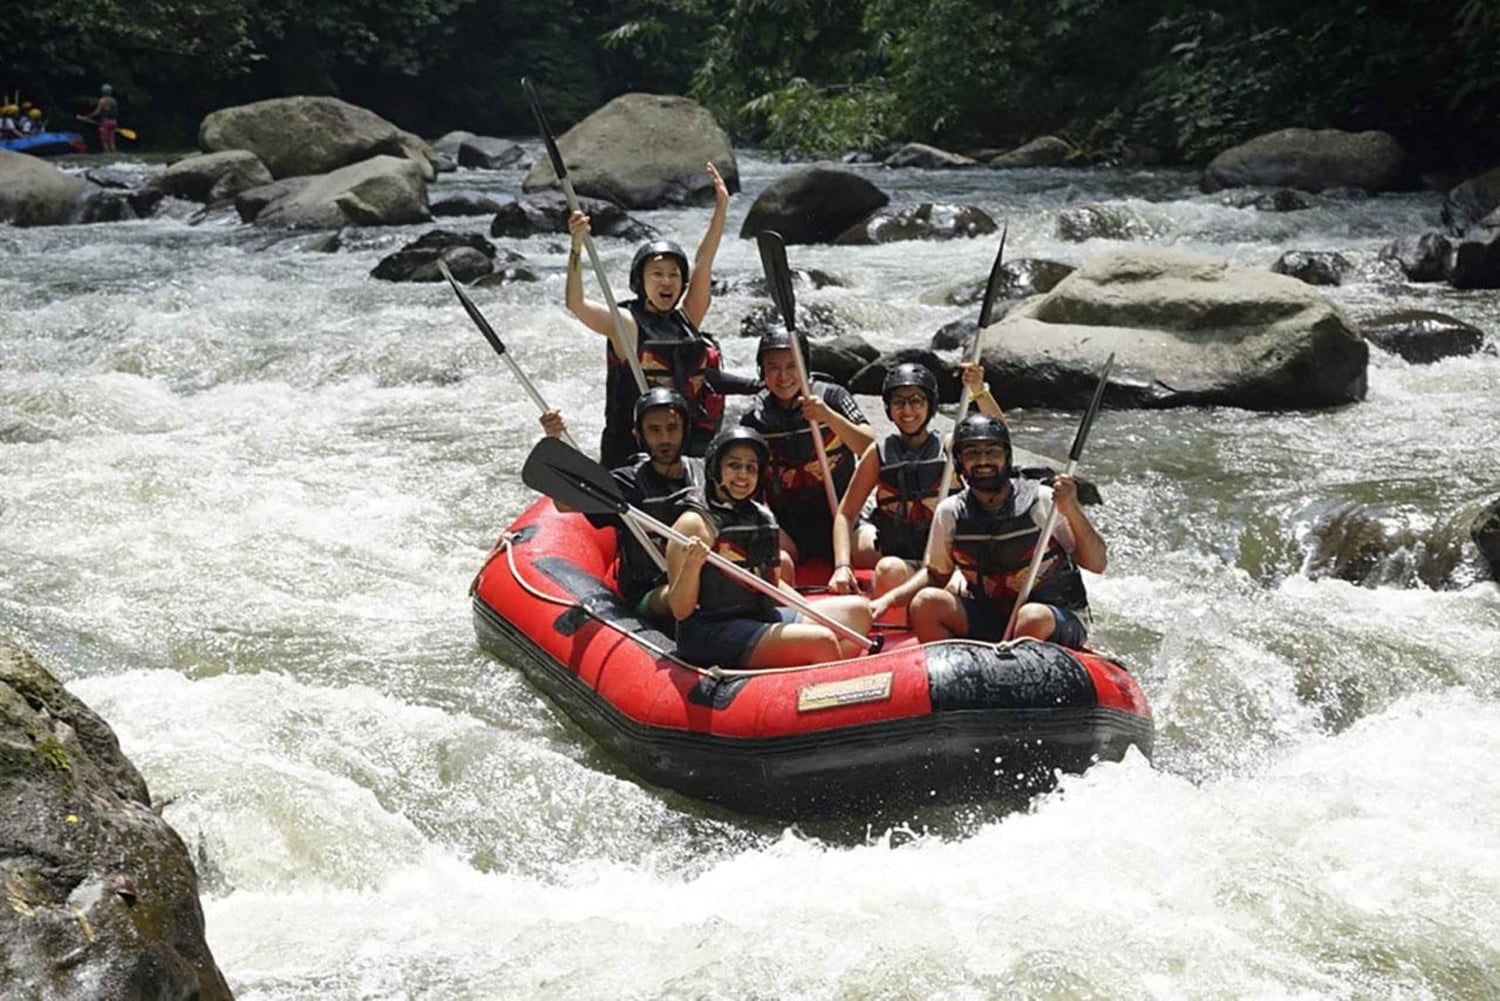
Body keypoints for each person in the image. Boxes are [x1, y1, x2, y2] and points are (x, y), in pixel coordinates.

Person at [564, 162, 758, 467]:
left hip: (684, 450)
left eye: (673, 275)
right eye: (657, 274)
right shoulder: (627, 324)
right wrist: (576, 249)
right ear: (640, 282)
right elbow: (576, 303)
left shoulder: (688, 320)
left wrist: (722, 207)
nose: (666, 281)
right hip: (631, 453)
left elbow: (703, 263)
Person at [666, 427, 872, 669]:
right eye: (734, 465)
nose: (743, 475)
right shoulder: (693, 524)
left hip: (759, 617)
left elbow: (772, 585)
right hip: (711, 631)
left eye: (751, 468)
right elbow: (680, 610)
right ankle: (827, 690)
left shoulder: (762, 517)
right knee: (822, 641)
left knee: (858, 613)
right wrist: (692, 565)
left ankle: (794, 675)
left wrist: (809, 610)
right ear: (715, 469)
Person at [906, 413, 1106, 648]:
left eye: (992, 452)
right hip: (994, 618)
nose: (983, 461)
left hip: (1052, 618)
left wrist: (1071, 509)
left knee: (1031, 617)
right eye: (972, 453)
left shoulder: (1042, 501)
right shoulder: (949, 513)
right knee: (925, 604)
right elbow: (937, 575)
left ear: (1007, 457)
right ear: (959, 462)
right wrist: (887, 601)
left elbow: (1097, 563)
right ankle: (959, 677)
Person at [829, 362, 1007, 611]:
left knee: (953, 586)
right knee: (887, 569)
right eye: (899, 402)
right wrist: (842, 566)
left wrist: (979, 390)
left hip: (948, 560)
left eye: (916, 401)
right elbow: (845, 514)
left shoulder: (950, 447)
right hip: (903, 555)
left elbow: (999, 437)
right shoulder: (878, 454)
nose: (908, 410)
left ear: (930, 405)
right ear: (889, 409)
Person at [540, 388, 704, 628]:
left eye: (672, 428)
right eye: (654, 431)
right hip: (651, 590)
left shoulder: (706, 473)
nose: (665, 439)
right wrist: (554, 440)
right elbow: (565, 503)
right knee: (680, 594)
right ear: (639, 435)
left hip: (705, 580)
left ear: (685, 430)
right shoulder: (626, 483)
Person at [739, 329, 875, 565]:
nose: (783, 376)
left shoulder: (832, 396)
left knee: (869, 552)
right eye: (773, 367)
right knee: (780, 561)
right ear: (762, 371)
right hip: (788, 527)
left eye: (792, 366)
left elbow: (870, 446)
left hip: (841, 518)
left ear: (806, 367)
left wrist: (829, 417)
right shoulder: (755, 417)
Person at [84, 84, 119, 153]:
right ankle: (114, 155)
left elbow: (97, 112)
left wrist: (87, 116)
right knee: (112, 141)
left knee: (104, 140)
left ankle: (107, 154)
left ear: (102, 92)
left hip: (105, 122)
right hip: (114, 122)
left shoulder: (102, 100)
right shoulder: (114, 101)